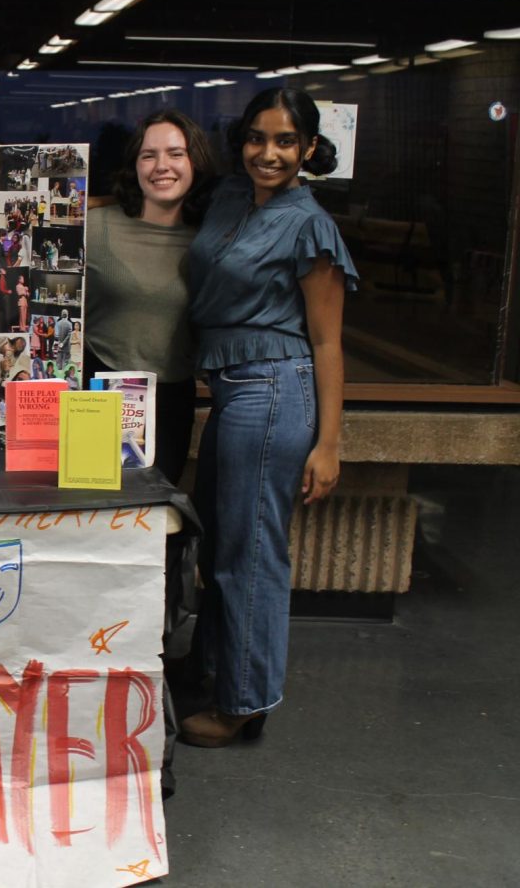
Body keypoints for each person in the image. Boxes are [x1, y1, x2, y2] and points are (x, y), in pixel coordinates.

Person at [183, 88, 358, 747]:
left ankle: (244, 703)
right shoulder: (228, 197)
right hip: (232, 390)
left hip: (276, 389)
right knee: (222, 544)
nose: (269, 153)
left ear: (309, 149)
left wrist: (329, 443)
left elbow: (327, 342)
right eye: (258, 138)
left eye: (286, 141)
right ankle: (214, 673)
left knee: (250, 552)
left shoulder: (311, 224)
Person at [84, 109, 216, 486]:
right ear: (134, 165)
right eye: (148, 155)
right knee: (97, 517)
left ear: (195, 162)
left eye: (176, 153)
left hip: (171, 400)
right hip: (100, 390)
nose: (162, 166)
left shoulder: (211, 239)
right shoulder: (94, 228)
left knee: (153, 525)